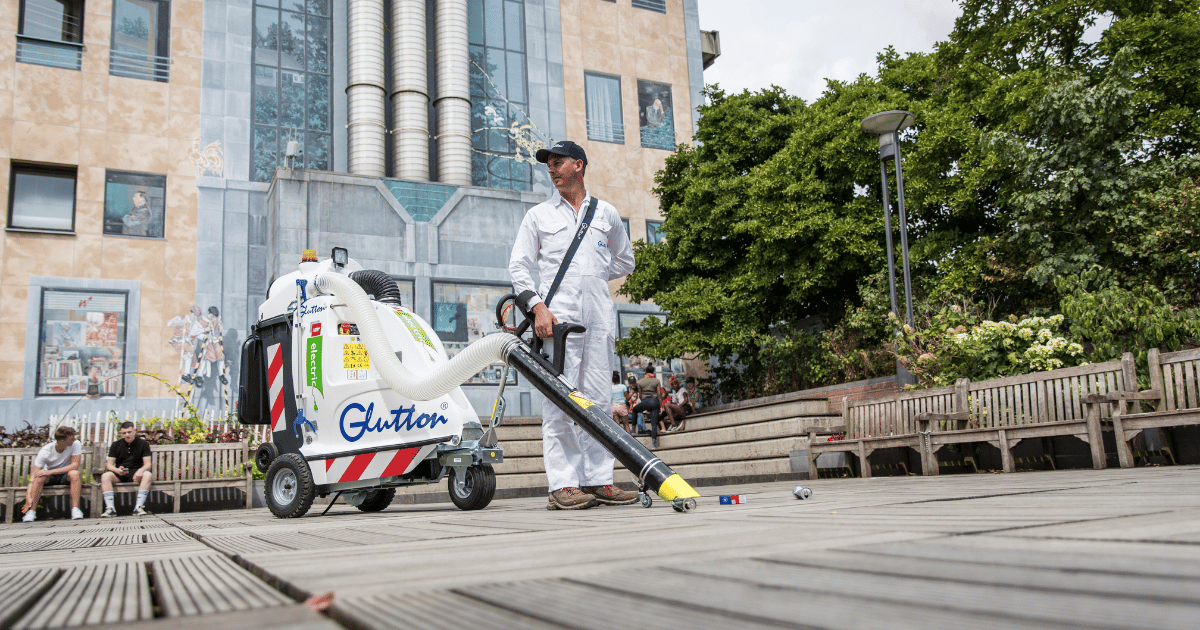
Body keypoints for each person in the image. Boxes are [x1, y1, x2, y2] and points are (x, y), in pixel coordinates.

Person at [509, 140, 638, 511]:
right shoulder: (538, 216)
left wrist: (593, 277)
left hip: (598, 322)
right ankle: (563, 485)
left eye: (558, 162)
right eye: (548, 164)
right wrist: (537, 308)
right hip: (557, 323)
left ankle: (598, 480)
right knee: (559, 404)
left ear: (578, 165)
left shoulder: (607, 214)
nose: (551, 169)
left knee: (598, 402)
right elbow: (518, 267)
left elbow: (625, 261)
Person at [22, 426, 84, 522]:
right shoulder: (45, 451)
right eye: (71, 438)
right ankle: (31, 512)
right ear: (62, 441)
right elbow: (33, 476)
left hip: (65, 476)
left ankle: (75, 510)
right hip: (49, 478)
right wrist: (28, 497)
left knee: (75, 473)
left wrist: (49, 471)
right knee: (39, 477)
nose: (74, 440)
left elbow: (74, 465)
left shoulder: (75, 444)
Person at [100, 422, 154, 517]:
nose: (127, 435)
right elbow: (109, 464)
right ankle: (110, 509)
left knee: (147, 474)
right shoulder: (115, 445)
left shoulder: (143, 444)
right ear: (121, 433)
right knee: (105, 476)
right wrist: (117, 470)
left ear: (134, 431)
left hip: (136, 473)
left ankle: (138, 508)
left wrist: (140, 471)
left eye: (129, 432)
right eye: (124, 433)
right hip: (120, 473)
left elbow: (148, 463)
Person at [630, 365, 663, 448]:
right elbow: (659, 394)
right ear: (653, 372)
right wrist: (661, 405)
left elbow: (640, 395)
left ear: (645, 372)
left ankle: (633, 429)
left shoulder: (640, 382)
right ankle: (654, 443)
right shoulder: (657, 381)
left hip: (645, 401)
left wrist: (645, 403)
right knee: (654, 423)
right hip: (655, 402)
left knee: (634, 410)